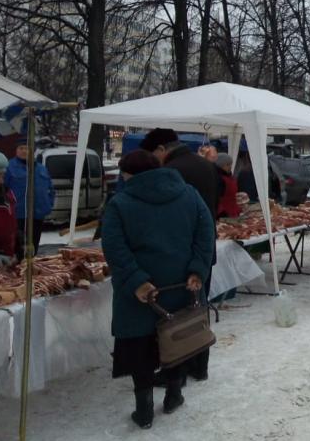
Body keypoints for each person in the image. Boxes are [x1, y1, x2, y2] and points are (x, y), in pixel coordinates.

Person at [101, 150, 214, 429]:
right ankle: (174, 394)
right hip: (182, 285)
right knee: (177, 338)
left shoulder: (120, 202)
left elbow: (114, 247)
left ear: (128, 174)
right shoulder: (189, 194)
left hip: (141, 292)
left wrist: (137, 280)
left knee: (140, 347)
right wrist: (197, 269)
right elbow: (206, 233)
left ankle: (144, 409)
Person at [139, 128, 219, 382]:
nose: (155, 160)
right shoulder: (206, 165)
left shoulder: (172, 172)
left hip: (178, 253)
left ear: (162, 149)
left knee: (176, 316)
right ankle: (200, 365)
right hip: (204, 250)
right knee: (198, 308)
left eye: (154, 154)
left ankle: (179, 371)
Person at [4, 141, 55, 256]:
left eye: (27, 148)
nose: (24, 151)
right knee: (19, 246)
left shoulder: (41, 168)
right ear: (16, 150)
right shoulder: (9, 167)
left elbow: (51, 189)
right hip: (18, 214)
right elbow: (2, 190)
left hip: (38, 214)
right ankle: (19, 269)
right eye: (21, 148)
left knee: (33, 246)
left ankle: (31, 268)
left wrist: (48, 205)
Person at [215, 153, 240, 219]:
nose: (230, 167)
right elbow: (216, 198)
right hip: (224, 214)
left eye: (230, 164)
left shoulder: (229, 176)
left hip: (233, 212)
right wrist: (222, 213)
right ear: (221, 165)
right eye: (227, 165)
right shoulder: (219, 179)